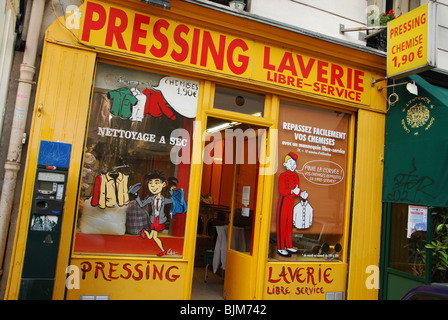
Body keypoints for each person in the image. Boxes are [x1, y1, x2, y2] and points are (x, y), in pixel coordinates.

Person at [133, 171, 173, 256]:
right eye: (150, 183)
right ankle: (163, 250)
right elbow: (142, 204)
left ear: (163, 184)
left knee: (153, 237)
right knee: (153, 237)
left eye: (156, 183)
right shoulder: (151, 199)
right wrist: (136, 196)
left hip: (160, 221)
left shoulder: (163, 199)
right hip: (153, 220)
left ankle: (162, 250)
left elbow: (172, 201)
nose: (153, 185)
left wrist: (172, 192)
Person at [276, 152, 308, 257]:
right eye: (290, 162)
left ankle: (289, 246)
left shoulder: (296, 176)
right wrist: (292, 191)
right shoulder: (283, 176)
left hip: (291, 202)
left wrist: (301, 194)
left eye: (294, 163)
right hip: (284, 201)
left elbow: (297, 190)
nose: (293, 165)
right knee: (282, 223)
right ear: (285, 164)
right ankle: (281, 247)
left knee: (289, 224)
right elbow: (282, 190)